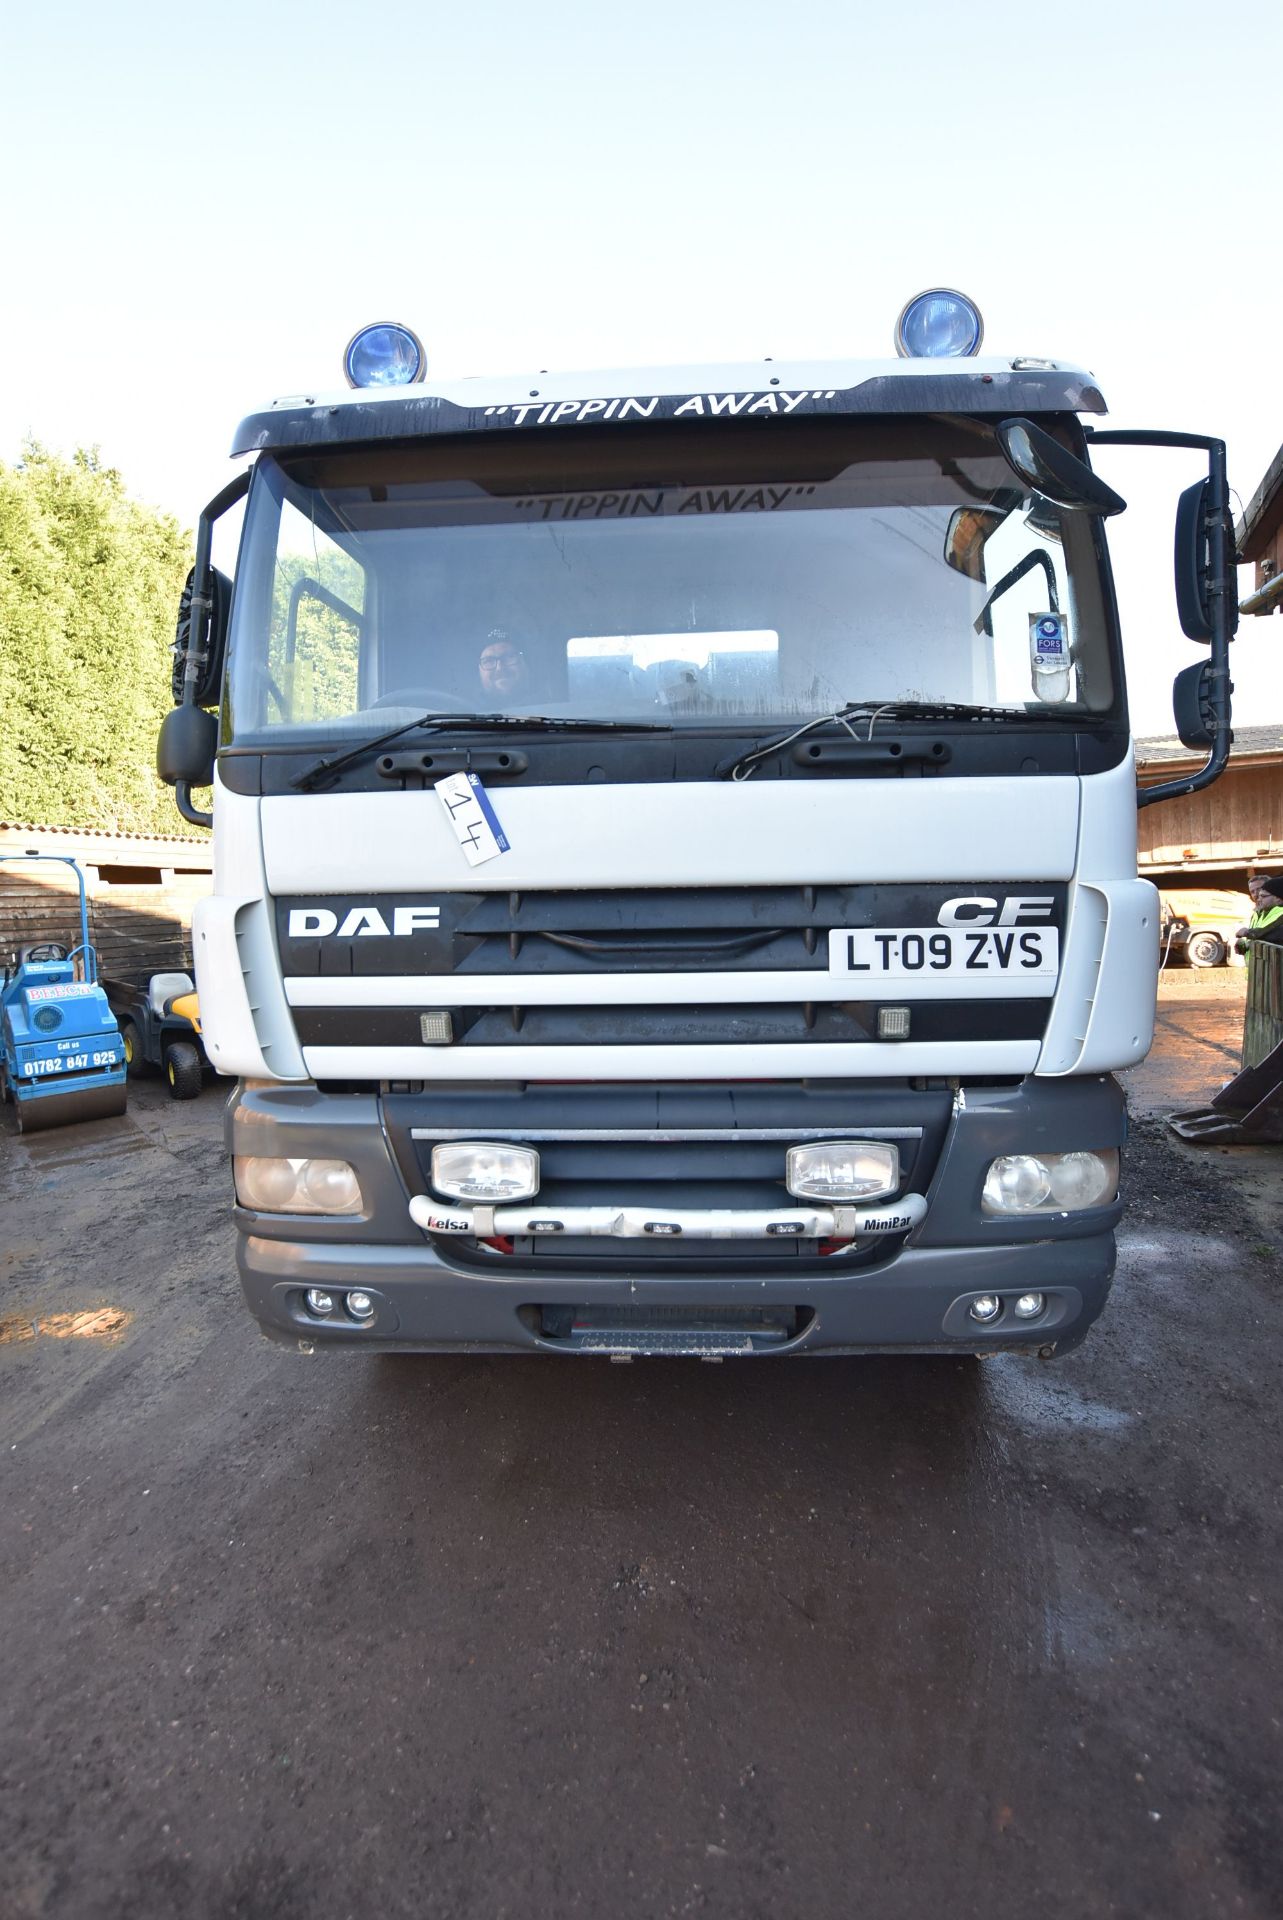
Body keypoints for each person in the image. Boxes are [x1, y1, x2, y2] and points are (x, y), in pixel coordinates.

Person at [477, 630, 530, 701]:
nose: (500, 668)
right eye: (489, 661)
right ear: (479, 670)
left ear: (525, 662)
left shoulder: (548, 702)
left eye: (509, 657)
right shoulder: (462, 708)